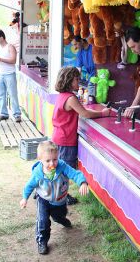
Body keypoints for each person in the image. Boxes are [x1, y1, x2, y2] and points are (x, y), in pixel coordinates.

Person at [51, 66, 110, 205]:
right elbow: (85, 113)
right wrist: (103, 113)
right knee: (64, 170)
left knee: (58, 168)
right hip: (66, 139)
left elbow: (80, 110)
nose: (79, 81)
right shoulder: (70, 98)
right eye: (77, 79)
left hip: (59, 137)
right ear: (69, 80)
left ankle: (50, 191)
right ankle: (60, 197)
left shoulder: (63, 96)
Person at [20, 140, 89, 255]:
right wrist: (24, 198)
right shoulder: (37, 173)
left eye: (55, 159)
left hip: (59, 200)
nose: (52, 163)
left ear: (58, 157)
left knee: (58, 217)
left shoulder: (62, 167)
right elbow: (29, 186)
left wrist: (82, 182)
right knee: (43, 221)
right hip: (43, 199)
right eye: (47, 161)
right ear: (40, 160)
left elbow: (75, 173)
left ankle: (63, 220)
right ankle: (42, 241)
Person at [0, 30, 21, 122]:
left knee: (12, 94)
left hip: (10, 74)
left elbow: (13, 61)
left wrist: (0, 59)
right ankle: (3, 113)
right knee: (1, 95)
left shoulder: (10, 47)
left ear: (2, 37)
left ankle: (17, 114)